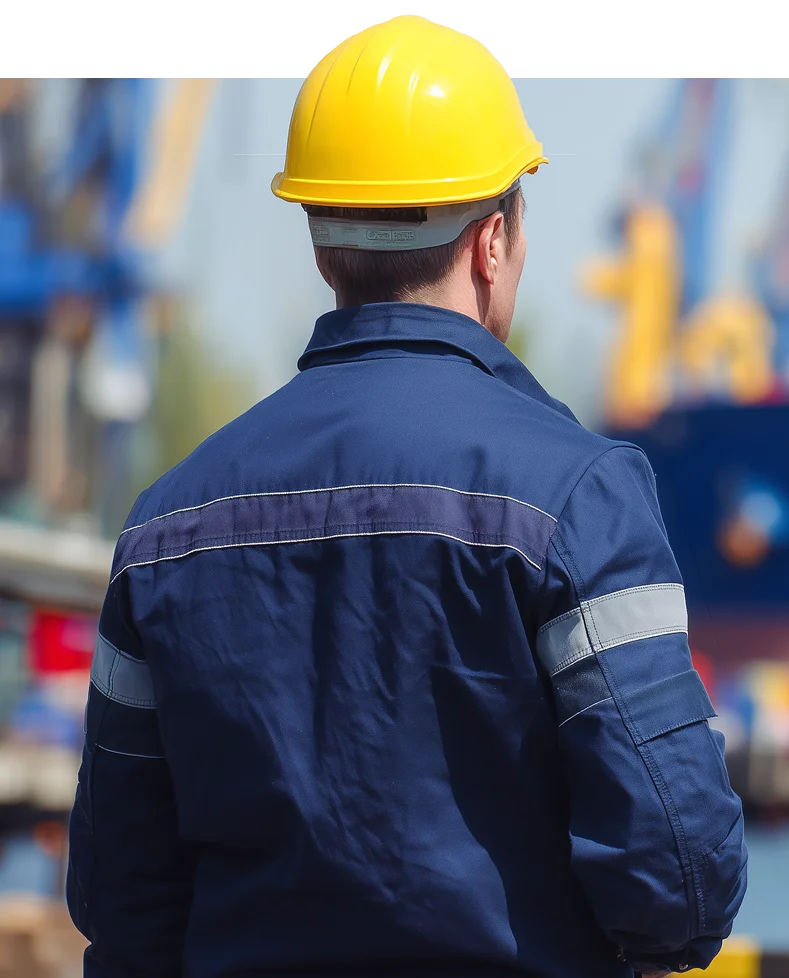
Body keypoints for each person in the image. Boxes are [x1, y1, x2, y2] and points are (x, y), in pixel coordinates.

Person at [66, 16, 747, 978]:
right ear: (492, 241)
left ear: (321, 244)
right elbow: (677, 885)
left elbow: (122, 900)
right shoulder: (579, 499)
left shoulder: (165, 525)